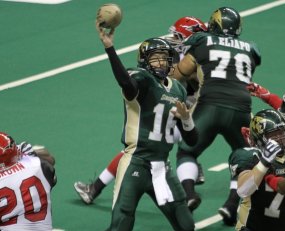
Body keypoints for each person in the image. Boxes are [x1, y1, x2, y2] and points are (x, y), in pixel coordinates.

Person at [87, 20, 200, 231]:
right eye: (155, 58)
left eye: (164, 58)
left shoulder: (179, 89)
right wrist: (110, 48)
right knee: (121, 227)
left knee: (185, 223)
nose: (160, 63)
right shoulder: (142, 79)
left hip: (162, 166)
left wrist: (187, 120)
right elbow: (127, 84)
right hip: (136, 161)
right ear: (144, 61)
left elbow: (192, 140)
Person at [74, 16, 208, 205]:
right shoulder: (205, 56)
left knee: (137, 148)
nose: (173, 39)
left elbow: (175, 79)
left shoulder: (187, 62)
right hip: (192, 117)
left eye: (178, 36)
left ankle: (95, 188)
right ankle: (191, 173)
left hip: (184, 117)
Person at [172, 7, 261, 224]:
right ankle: (231, 205)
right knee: (244, 156)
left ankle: (189, 194)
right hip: (241, 107)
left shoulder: (204, 41)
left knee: (186, 152)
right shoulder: (251, 48)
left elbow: (179, 74)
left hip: (210, 104)